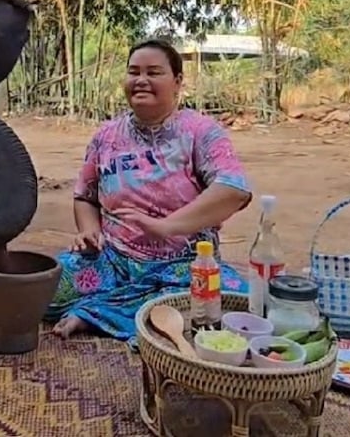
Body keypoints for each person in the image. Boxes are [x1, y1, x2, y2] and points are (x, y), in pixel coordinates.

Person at [45, 38, 254, 341]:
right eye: (134, 72)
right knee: (46, 290)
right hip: (113, 260)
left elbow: (234, 190)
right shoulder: (106, 137)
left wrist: (166, 227)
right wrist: (90, 232)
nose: (141, 80)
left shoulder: (201, 132)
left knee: (235, 304)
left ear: (178, 81)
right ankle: (136, 310)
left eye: (154, 72)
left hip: (184, 265)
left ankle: (98, 312)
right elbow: (85, 196)